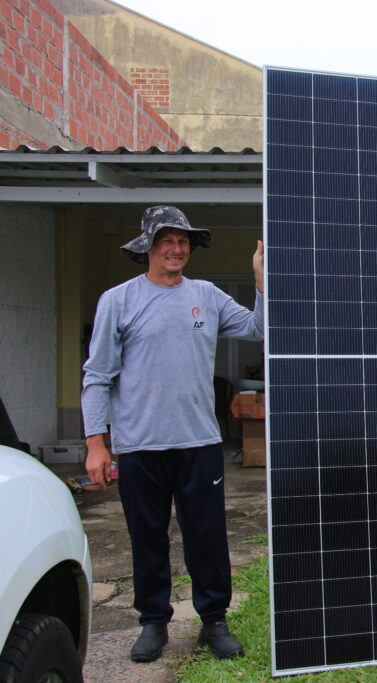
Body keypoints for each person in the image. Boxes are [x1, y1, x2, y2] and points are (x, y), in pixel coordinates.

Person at [81, 205, 264, 663]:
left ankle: (214, 621)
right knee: (147, 536)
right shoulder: (118, 300)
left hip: (199, 443)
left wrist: (260, 280)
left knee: (206, 534)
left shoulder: (207, 294)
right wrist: (95, 444)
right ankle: (153, 621)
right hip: (140, 444)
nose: (176, 248)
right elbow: (97, 375)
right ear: (148, 245)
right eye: (167, 240)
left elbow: (260, 329)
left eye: (183, 241)